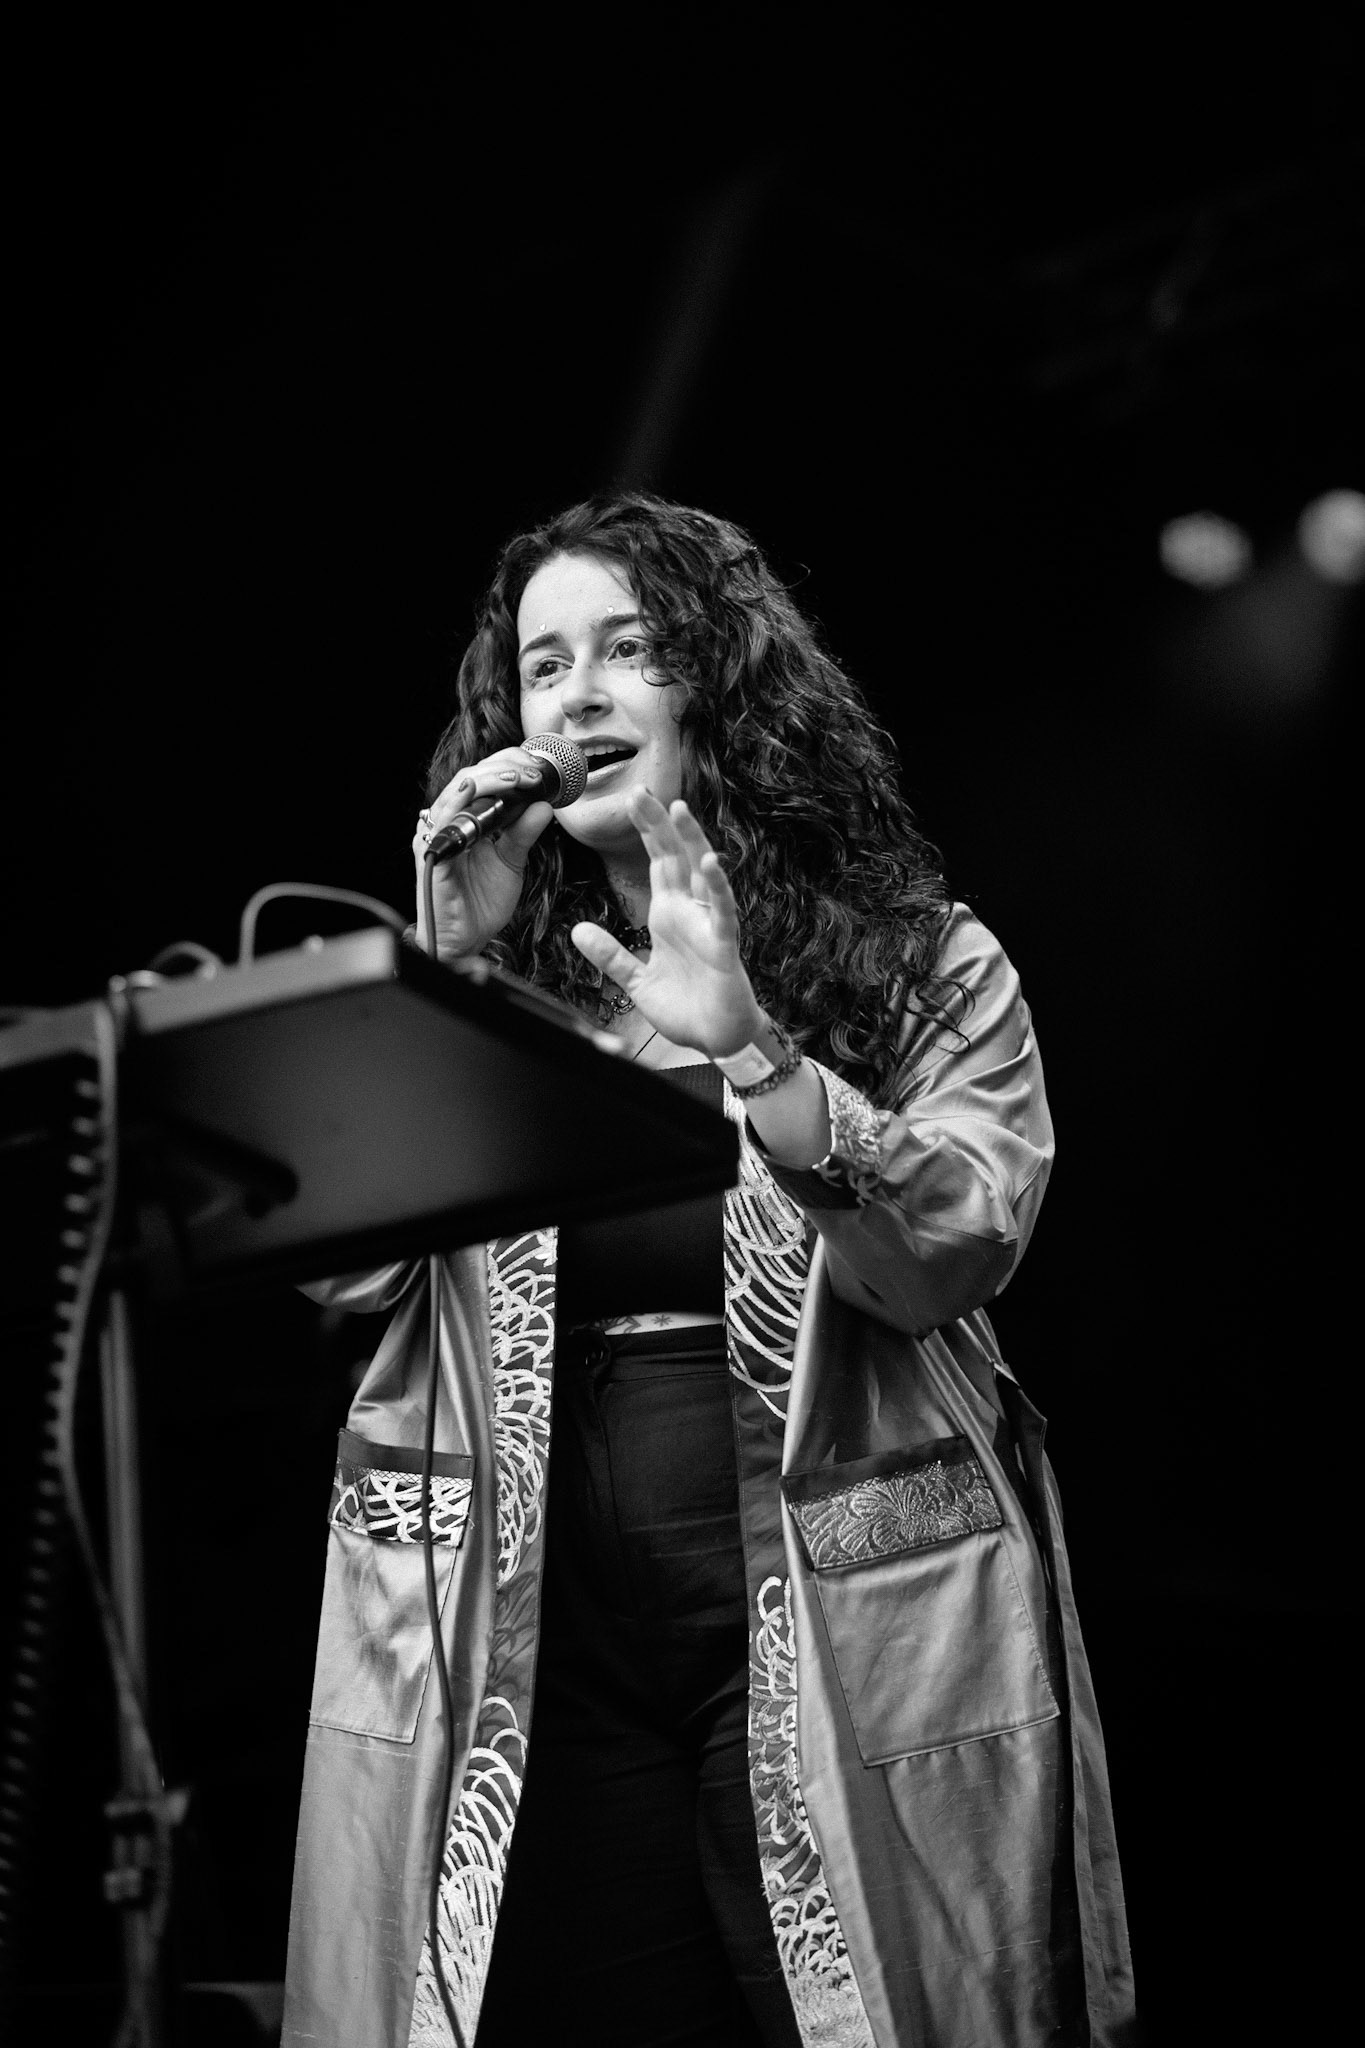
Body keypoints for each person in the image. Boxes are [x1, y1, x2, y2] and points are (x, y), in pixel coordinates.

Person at [282, 493, 1136, 2048]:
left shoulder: (920, 957)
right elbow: (348, 1288)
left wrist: (746, 1039)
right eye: (545, 668)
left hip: (840, 1596)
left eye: (630, 649)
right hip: (536, 1630)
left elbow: (956, 1244)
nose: (580, 696)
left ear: (720, 693)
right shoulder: (497, 995)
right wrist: (442, 985)